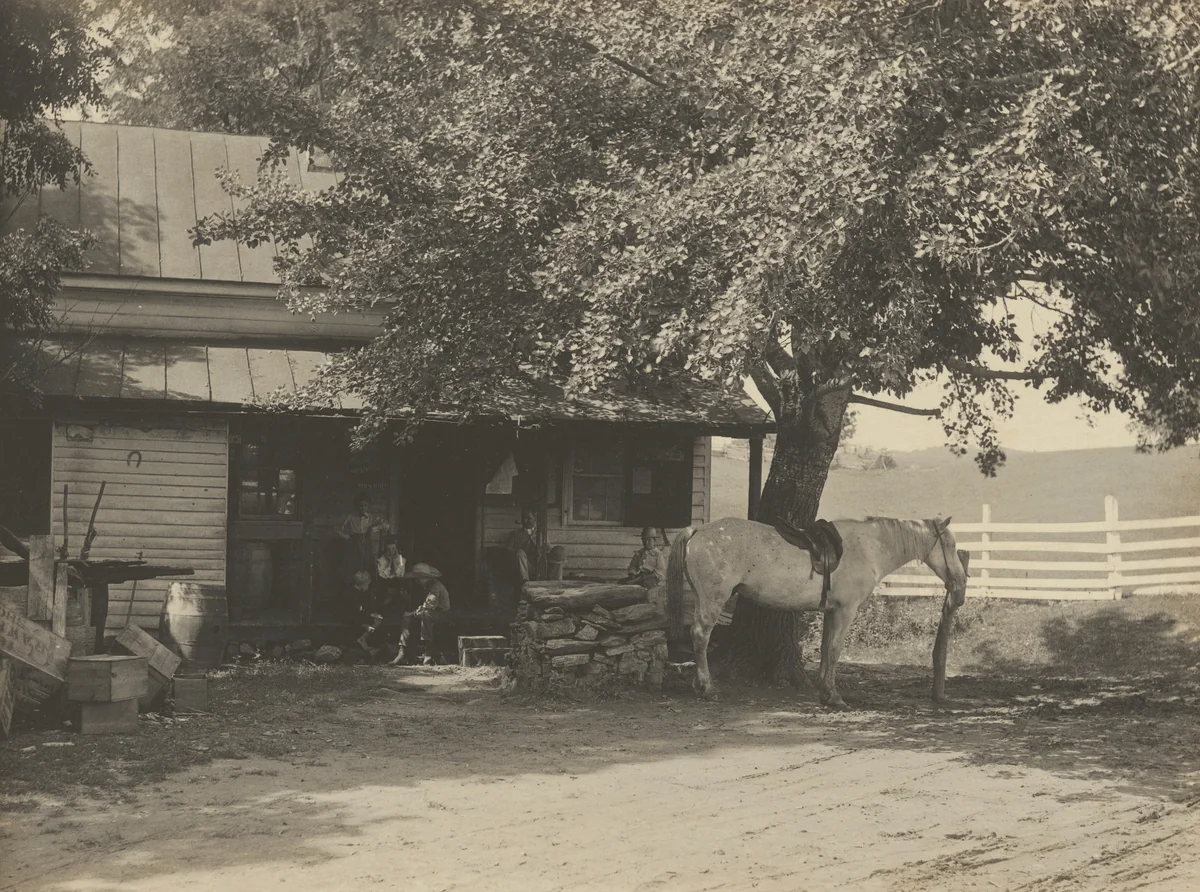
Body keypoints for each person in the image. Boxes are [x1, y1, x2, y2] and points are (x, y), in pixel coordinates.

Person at [391, 562, 450, 666]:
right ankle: (402, 652)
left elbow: (428, 605)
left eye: (419, 578)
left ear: (426, 577)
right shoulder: (422, 587)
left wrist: (412, 613)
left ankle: (429, 652)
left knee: (425, 614)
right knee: (407, 619)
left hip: (441, 614)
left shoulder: (435, 587)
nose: (416, 580)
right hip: (426, 612)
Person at [339, 492, 389, 578]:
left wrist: (375, 528)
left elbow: (386, 525)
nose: (363, 508)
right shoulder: (351, 517)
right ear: (356, 506)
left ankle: (367, 586)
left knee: (367, 564)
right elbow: (342, 529)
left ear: (368, 506)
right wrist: (347, 537)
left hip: (366, 543)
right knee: (353, 564)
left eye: (365, 505)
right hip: (354, 543)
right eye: (360, 505)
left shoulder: (371, 517)